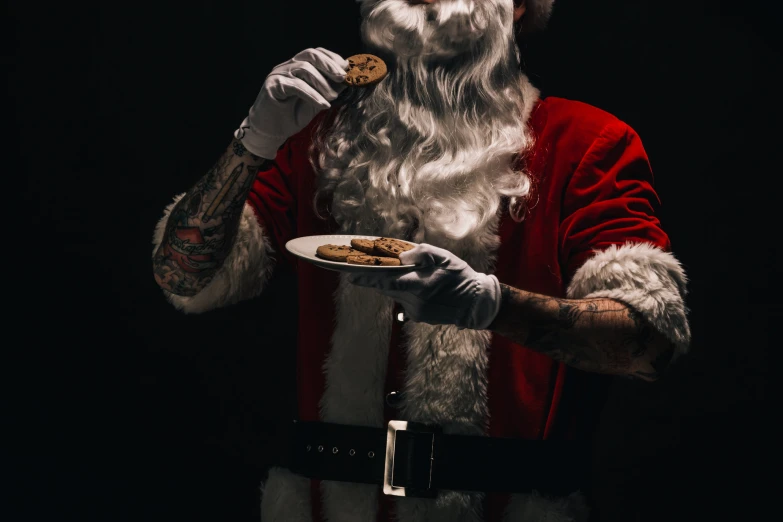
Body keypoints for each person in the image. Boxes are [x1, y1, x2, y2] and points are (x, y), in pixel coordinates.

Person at [151, 0, 691, 520]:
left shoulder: (588, 143)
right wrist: (255, 141)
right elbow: (188, 278)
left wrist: (491, 306)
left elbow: (649, 343)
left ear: (519, 4)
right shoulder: (316, 142)